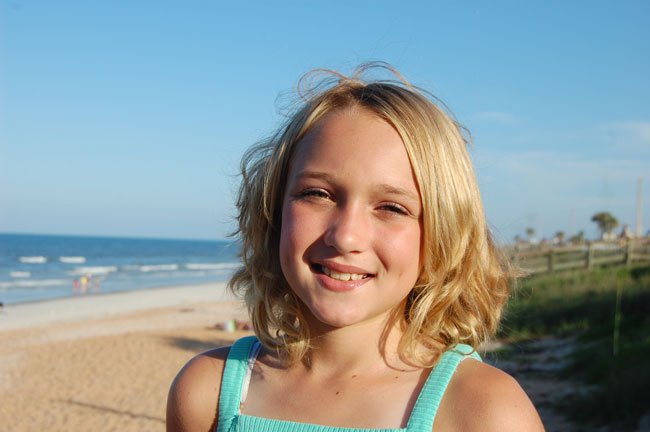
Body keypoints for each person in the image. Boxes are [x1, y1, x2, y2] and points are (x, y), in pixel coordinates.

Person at [167, 63, 545, 431]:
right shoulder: (208, 394)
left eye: (392, 208)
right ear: (274, 209)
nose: (346, 236)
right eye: (318, 194)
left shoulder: (482, 411)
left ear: (441, 236)